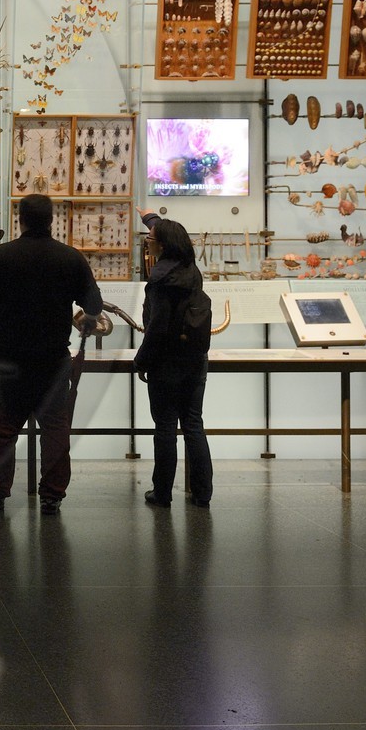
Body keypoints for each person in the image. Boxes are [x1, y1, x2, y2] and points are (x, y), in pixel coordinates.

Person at [0, 193, 102, 516]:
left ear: (20, 219)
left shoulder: (1, 257)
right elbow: (94, 306)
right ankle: (52, 495)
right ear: (52, 219)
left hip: (9, 359)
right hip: (54, 361)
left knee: (3, 428)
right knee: (55, 428)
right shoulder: (70, 258)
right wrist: (86, 319)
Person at [136, 209, 214, 508]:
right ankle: (202, 492)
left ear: (163, 246)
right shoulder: (190, 270)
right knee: (193, 424)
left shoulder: (159, 278)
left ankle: (163, 492)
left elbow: (156, 327)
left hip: (165, 362)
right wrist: (151, 218)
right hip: (195, 358)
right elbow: (166, 231)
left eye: (150, 239)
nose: (148, 242)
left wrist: (141, 361)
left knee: (165, 428)